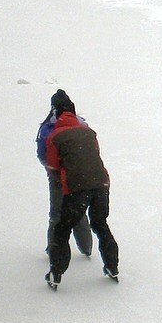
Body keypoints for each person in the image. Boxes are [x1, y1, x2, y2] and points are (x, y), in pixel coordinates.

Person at [43, 93, 119, 290]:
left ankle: (56, 272)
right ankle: (112, 266)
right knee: (101, 224)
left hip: (77, 188)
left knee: (62, 229)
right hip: (101, 184)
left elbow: (52, 166)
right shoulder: (89, 132)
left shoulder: (54, 135)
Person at [37, 90, 92, 258]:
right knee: (80, 213)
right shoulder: (81, 124)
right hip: (79, 176)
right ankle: (86, 248)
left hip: (57, 178)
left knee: (56, 214)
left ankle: (53, 249)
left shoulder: (47, 128)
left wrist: (53, 167)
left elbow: (42, 155)